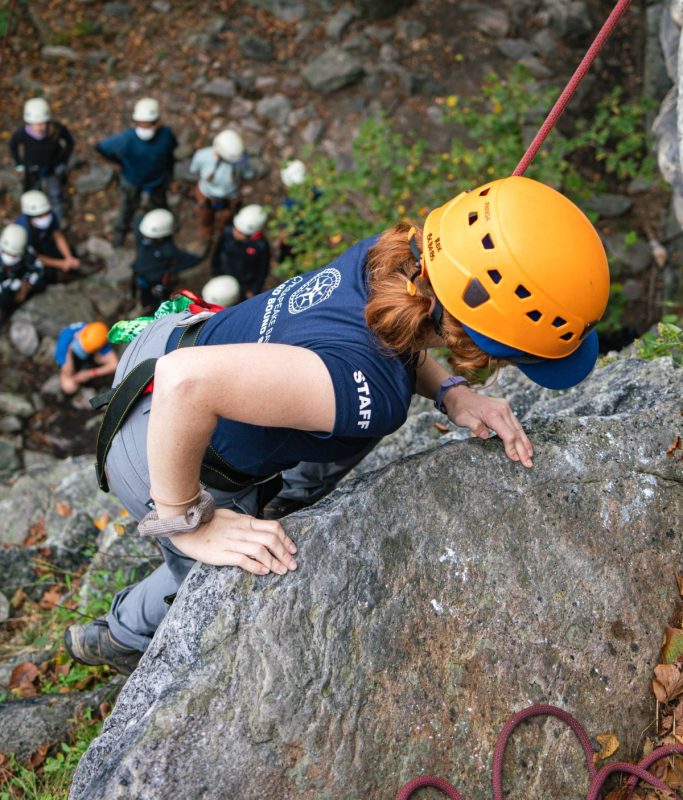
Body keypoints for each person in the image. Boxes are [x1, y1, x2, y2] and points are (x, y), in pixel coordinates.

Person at [64, 177, 610, 675]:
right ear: (480, 341)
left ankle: (275, 498)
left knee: (366, 408)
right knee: (210, 576)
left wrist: (450, 391)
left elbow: (393, 336)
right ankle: (119, 636)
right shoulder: (366, 389)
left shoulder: (394, 257)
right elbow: (188, 384)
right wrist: (188, 520)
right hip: (162, 436)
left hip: (167, 348)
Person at [95, 98, 177, 247]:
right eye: (142, 123)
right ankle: (121, 230)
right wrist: (120, 163)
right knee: (127, 206)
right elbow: (101, 147)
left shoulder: (166, 135)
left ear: (158, 121)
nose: (145, 127)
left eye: (150, 124)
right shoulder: (127, 138)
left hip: (157, 180)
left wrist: (169, 176)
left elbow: (170, 155)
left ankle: (166, 224)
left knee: (159, 204)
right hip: (132, 180)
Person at [9, 98, 74, 222]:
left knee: (55, 195)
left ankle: (56, 224)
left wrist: (63, 161)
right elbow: (13, 145)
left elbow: (69, 143)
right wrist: (19, 163)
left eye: (43, 123)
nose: (41, 127)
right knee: (33, 194)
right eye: (37, 124)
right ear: (29, 122)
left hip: (52, 168)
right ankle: (34, 221)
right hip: (32, 169)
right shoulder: (22, 133)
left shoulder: (56, 130)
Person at [189, 129, 253, 245]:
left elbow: (247, 175)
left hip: (230, 197)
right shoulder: (203, 156)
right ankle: (206, 236)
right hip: (206, 194)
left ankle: (220, 234)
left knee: (226, 218)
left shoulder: (241, 159)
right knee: (204, 217)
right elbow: (195, 171)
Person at [132, 209, 202, 313]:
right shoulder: (142, 234)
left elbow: (193, 260)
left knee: (158, 303)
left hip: (156, 282)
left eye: (151, 237)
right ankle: (143, 304)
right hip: (140, 276)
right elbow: (137, 219)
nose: (146, 238)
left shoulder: (167, 250)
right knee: (143, 296)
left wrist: (172, 270)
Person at [16, 190, 80, 283]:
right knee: (47, 274)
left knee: (71, 251)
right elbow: (33, 256)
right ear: (29, 216)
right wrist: (61, 264)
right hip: (33, 257)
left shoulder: (50, 215)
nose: (45, 217)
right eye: (40, 216)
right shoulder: (22, 231)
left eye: (46, 213)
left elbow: (57, 235)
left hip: (46, 245)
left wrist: (68, 257)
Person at [211, 204, 270, 300]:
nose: (235, 233)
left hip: (244, 283)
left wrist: (254, 290)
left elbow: (262, 269)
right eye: (235, 229)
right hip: (223, 273)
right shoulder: (227, 233)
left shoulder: (260, 246)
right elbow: (217, 252)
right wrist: (214, 270)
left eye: (241, 233)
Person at [54, 321, 118, 396]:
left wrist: (90, 373)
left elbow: (114, 364)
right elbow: (67, 372)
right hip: (72, 356)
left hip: (90, 359)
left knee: (100, 358)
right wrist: (69, 352)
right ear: (78, 335)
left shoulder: (96, 335)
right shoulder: (64, 342)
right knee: (69, 386)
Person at [0, 224, 45, 324]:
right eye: (7, 253)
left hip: (22, 281)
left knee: (42, 282)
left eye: (15, 255)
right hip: (5, 287)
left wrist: (25, 288)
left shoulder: (28, 253)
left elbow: (38, 268)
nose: (10, 258)